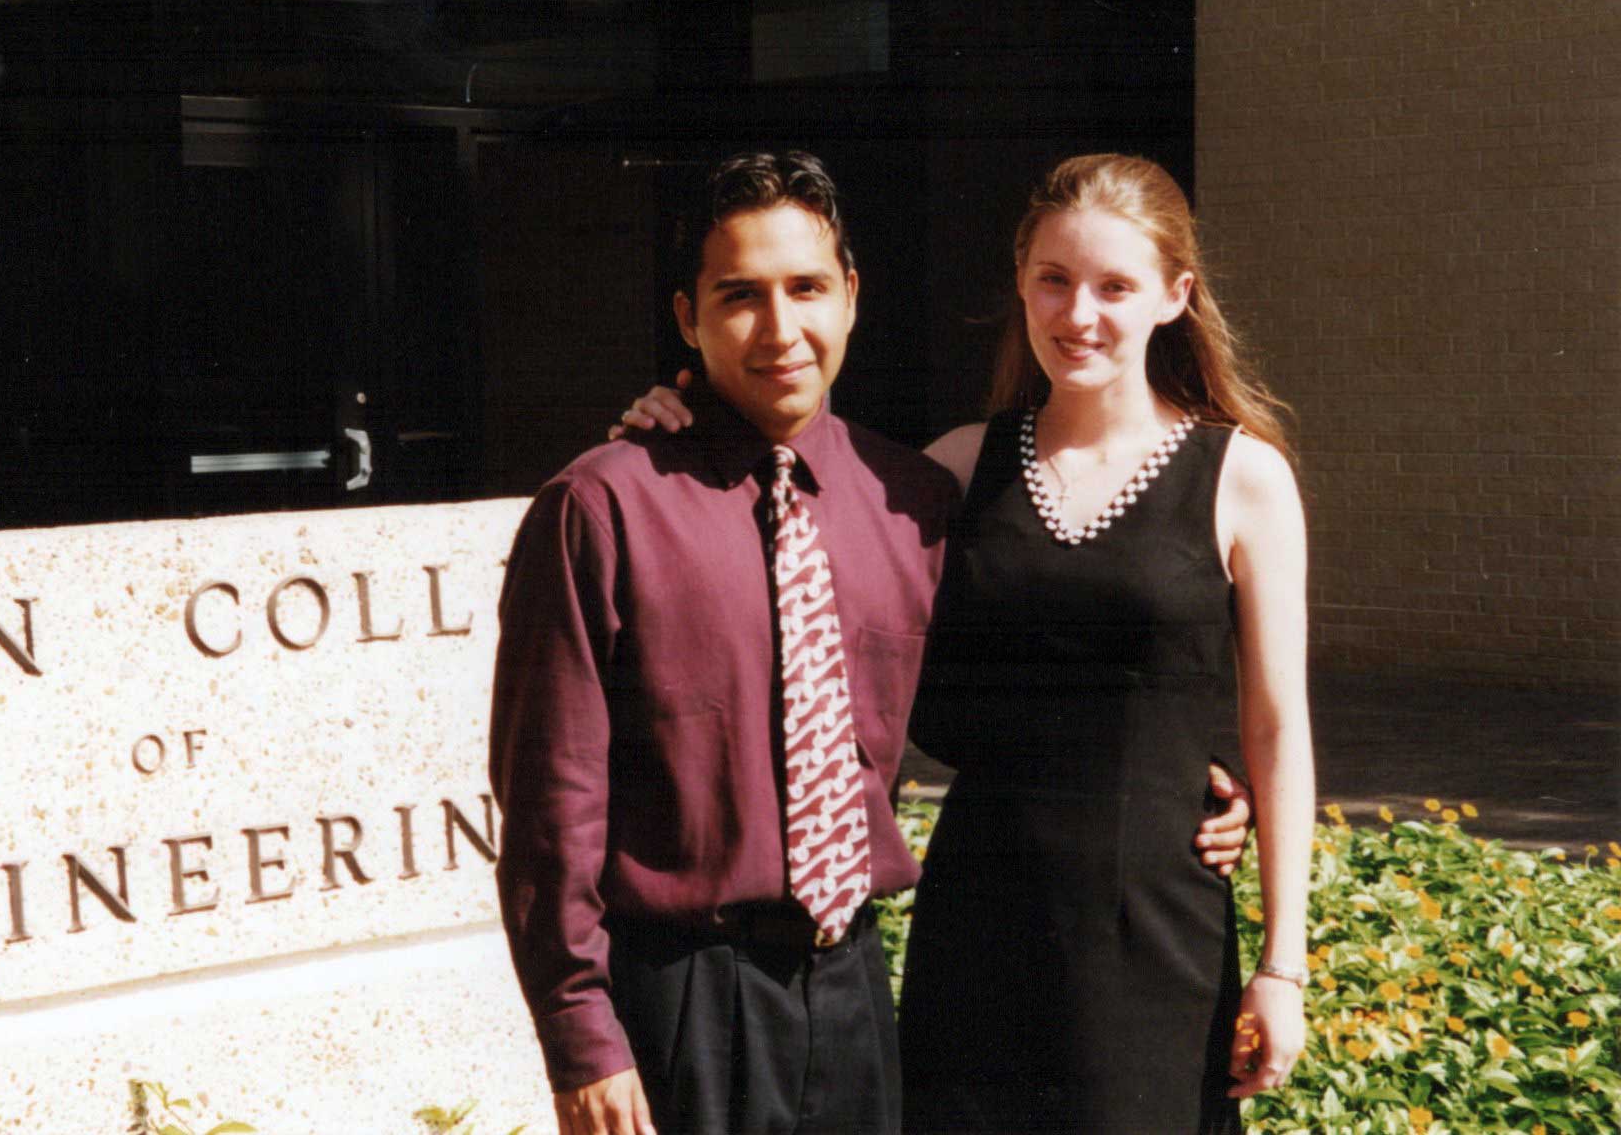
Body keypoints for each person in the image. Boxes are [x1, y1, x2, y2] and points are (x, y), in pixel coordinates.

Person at [498, 150, 1251, 1135]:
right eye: (740, 297)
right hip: (681, 1002)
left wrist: (1196, 773)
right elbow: (552, 804)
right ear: (688, 319)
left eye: (807, 288)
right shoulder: (603, 507)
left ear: (850, 296)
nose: (781, 329)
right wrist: (580, 1034)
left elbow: (1061, 649)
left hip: (855, 993)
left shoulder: (911, 502)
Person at [897, 153, 1314, 1133]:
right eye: (1055, 279)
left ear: (1176, 295)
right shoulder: (954, 470)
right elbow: (787, 515)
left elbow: (1277, 725)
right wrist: (677, 426)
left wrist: (1282, 966)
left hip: (1155, 939)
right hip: (977, 933)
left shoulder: (1243, 481)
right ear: (1021, 284)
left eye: (1114, 286)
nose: (1077, 313)